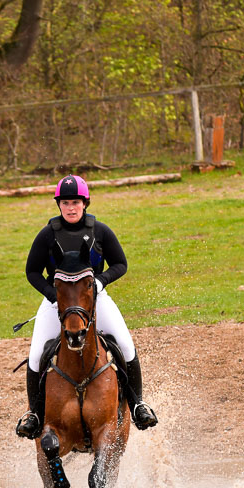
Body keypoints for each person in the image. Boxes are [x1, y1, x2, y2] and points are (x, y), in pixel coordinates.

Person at [16, 174, 158, 439]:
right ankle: (34, 414)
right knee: (36, 355)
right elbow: (32, 271)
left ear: (85, 203)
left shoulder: (100, 231)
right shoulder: (47, 234)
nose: (71, 207)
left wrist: (101, 282)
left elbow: (121, 264)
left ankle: (138, 404)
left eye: (76, 202)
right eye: (66, 202)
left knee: (125, 346)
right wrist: (51, 295)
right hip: (57, 301)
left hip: (95, 299)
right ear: (59, 205)